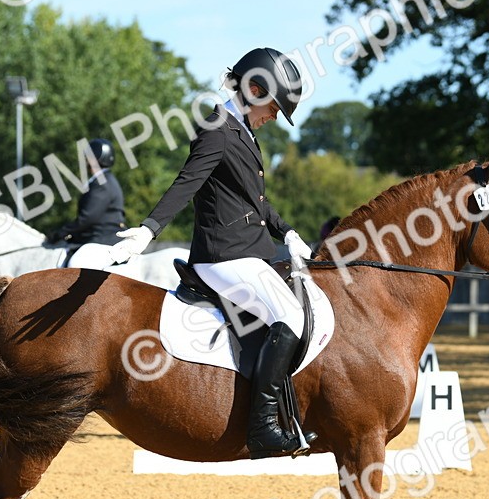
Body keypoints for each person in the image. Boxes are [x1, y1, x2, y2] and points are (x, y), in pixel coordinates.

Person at [109, 47, 314, 458]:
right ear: (255, 90)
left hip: (249, 251)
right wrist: (147, 231)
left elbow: (254, 202)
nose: (275, 117)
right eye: (275, 108)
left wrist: (288, 232)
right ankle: (264, 427)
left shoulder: (243, 131)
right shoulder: (217, 129)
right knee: (291, 316)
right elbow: (186, 183)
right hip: (223, 257)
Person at [46, 140, 126, 246]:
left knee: (72, 257)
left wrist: (61, 233)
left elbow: (88, 217)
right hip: (101, 236)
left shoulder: (101, 183)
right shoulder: (106, 180)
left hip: (101, 238)